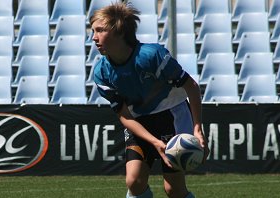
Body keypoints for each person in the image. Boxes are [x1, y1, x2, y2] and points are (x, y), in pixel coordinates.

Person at [90, 2, 209, 198]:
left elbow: (191, 87)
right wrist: (154, 142)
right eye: (93, 31)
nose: (94, 37)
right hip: (139, 124)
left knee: (174, 190)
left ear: (119, 32)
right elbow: (125, 116)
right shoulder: (101, 72)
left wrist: (197, 128)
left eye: (100, 30)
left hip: (172, 117)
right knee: (134, 181)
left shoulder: (152, 55)